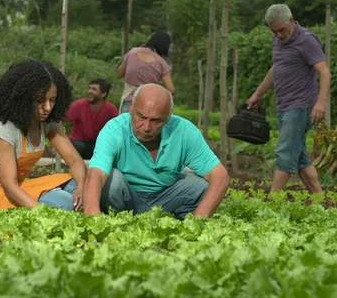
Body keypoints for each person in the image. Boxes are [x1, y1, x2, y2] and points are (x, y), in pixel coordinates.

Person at [0, 59, 86, 211]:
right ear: (24, 98)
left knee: (79, 185)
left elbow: (74, 161)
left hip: (19, 186)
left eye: (52, 100)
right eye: (40, 101)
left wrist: (81, 187)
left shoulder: (48, 122)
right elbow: (9, 186)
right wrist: (41, 213)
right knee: (65, 202)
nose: (47, 107)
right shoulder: (5, 127)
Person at [82, 84, 230, 219]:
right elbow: (97, 173)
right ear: (131, 107)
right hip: (127, 196)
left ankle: (180, 224)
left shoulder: (184, 131)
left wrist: (198, 221)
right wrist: (93, 216)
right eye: (141, 117)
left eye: (156, 121)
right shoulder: (114, 130)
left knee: (200, 187)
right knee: (112, 180)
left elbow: (220, 177)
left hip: (167, 197)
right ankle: (117, 222)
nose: (146, 127)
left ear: (168, 116)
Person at [246, 4, 332, 194]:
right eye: (274, 31)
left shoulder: (307, 41)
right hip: (284, 106)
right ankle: (320, 200)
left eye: (281, 30)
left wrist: (320, 103)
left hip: (300, 107)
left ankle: (272, 201)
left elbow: (325, 73)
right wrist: (258, 94)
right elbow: (276, 68)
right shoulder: (279, 41)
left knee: (285, 152)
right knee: (300, 157)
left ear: (292, 21)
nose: (278, 35)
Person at [116, 30, 176, 114]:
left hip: (128, 102)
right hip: (148, 104)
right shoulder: (162, 63)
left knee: (125, 126)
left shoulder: (132, 53)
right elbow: (171, 90)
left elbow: (119, 73)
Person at [65, 78, 118, 159]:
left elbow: (117, 129)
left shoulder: (111, 109)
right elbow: (62, 120)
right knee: (76, 145)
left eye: (94, 89)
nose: (89, 91)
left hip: (98, 145)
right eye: (89, 88)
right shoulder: (79, 105)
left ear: (103, 94)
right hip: (79, 142)